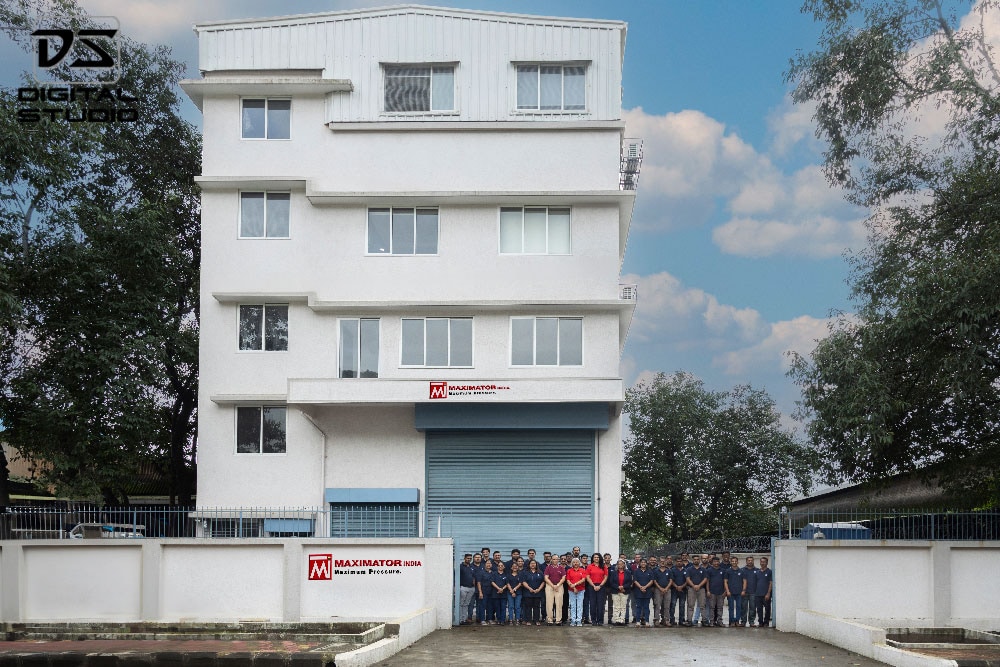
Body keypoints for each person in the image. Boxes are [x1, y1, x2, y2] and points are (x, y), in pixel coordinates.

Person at [685, 554, 709, 627]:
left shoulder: (703, 569)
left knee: (702, 605)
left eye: (697, 559)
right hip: (691, 589)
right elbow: (687, 578)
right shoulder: (689, 569)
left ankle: (704, 620)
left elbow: (705, 579)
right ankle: (689, 621)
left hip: (701, 589)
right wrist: (693, 585)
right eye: (695, 559)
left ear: (699, 560)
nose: (696, 560)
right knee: (690, 605)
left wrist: (699, 585)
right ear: (692, 560)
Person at [544, 552, 566, 626]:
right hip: (549, 586)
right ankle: (549, 620)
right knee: (549, 604)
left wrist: (558, 585)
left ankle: (558, 620)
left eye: (556, 559)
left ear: (558, 560)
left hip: (559, 586)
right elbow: (546, 578)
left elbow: (563, 578)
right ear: (551, 560)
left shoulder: (561, 568)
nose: (555, 560)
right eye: (553, 559)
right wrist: (553, 585)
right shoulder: (548, 568)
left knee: (559, 604)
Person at [608, 557, 632, 626]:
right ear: (617, 565)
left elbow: (630, 582)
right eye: (619, 564)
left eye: (622, 564)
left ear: (624, 565)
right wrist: (618, 587)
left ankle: (622, 620)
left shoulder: (628, 572)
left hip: (625, 591)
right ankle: (617, 620)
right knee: (617, 606)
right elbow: (611, 582)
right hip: (615, 591)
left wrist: (623, 587)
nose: (620, 565)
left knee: (623, 607)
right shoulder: (613, 572)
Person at [631, 558, 654, 627]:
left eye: (644, 562)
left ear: (646, 563)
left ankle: (647, 621)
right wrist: (641, 587)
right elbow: (635, 580)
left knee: (646, 607)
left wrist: (645, 587)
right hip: (638, 591)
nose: (643, 563)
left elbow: (651, 581)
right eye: (642, 562)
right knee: (638, 607)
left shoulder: (650, 571)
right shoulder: (636, 571)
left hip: (647, 592)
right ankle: (638, 622)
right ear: (640, 563)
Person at [724, 556, 746, 627]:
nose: (734, 562)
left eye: (735, 561)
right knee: (731, 607)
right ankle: (732, 621)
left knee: (739, 607)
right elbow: (725, 582)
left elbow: (744, 581)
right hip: (730, 593)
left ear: (737, 562)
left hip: (739, 593)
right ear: (731, 562)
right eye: (732, 561)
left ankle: (737, 621)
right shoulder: (728, 571)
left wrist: (743, 590)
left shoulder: (741, 571)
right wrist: (727, 591)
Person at [587, 552, 608, 626]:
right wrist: (593, 585)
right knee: (592, 604)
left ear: (600, 558)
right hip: (592, 586)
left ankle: (600, 620)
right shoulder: (589, 566)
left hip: (601, 586)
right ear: (593, 558)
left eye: (598, 557)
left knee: (600, 604)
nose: (596, 558)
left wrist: (600, 585)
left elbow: (605, 577)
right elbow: (588, 577)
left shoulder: (603, 566)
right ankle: (593, 620)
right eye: (595, 557)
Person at [522, 559, 545, 625]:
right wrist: (529, 588)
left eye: (534, 563)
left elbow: (543, 582)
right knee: (528, 607)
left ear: (536, 564)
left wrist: (539, 589)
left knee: (537, 607)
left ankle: (536, 620)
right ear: (529, 565)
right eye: (531, 563)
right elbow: (524, 582)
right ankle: (528, 620)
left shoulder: (540, 572)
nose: (533, 565)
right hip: (528, 592)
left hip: (537, 593)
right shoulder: (525, 572)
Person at [566, 557, 588, 627]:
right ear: (572, 563)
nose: (575, 563)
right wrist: (573, 586)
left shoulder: (582, 570)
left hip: (581, 590)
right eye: (574, 562)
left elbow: (583, 579)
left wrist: (575, 585)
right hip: (571, 590)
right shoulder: (569, 570)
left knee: (579, 605)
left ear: (579, 563)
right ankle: (573, 620)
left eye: (577, 562)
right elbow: (568, 580)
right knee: (572, 606)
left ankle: (578, 620)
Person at [652, 556, 673, 627]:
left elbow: (671, 580)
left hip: (667, 590)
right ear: (658, 562)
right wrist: (660, 588)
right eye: (661, 561)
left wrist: (666, 588)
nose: (662, 563)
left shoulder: (669, 571)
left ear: (666, 562)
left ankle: (666, 620)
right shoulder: (656, 571)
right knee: (657, 605)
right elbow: (654, 581)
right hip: (658, 590)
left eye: (664, 561)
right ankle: (656, 620)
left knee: (667, 606)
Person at [705, 556, 726, 626]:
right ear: (712, 562)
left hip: (721, 592)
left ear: (719, 562)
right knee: (712, 607)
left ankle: (719, 621)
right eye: (714, 562)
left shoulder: (722, 571)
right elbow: (707, 581)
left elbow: (725, 581)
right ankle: (711, 621)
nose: (716, 563)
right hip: (712, 592)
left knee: (720, 607)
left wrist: (725, 591)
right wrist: (708, 591)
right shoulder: (709, 570)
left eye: (717, 561)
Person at [754, 556, 773, 628]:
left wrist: (768, 593)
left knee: (767, 609)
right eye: (761, 562)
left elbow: (771, 583)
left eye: (764, 562)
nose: (762, 563)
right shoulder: (757, 572)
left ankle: (766, 622)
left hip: (766, 594)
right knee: (759, 610)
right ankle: (760, 622)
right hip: (758, 594)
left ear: (767, 563)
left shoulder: (769, 572)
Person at [669, 554, 687, 627]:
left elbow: (687, 580)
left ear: (682, 562)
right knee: (672, 605)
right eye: (678, 561)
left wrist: (682, 586)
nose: (679, 562)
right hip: (674, 590)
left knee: (682, 605)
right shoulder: (672, 570)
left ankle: (681, 620)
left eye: (680, 561)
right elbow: (671, 580)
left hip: (683, 590)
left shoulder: (686, 570)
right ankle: (672, 620)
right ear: (675, 562)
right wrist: (676, 586)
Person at [459, 553, 476, 625]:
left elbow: (474, 577)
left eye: (470, 558)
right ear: (464, 558)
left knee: (466, 604)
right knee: (461, 604)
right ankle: (459, 619)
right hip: (463, 587)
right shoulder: (460, 566)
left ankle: (464, 619)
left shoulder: (471, 567)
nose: (469, 559)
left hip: (471, 588)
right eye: (467, 558)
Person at [741, 557, 758, 627]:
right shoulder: (742, 570)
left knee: (753, 608)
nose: (750, 562)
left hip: (753, 592)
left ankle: (751, 622)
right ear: (746, 561)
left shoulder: (757, 570)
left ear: (753, 561)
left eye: (751, 560)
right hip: (744, 592)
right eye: (748, 560)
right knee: (743, 608)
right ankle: (743, 622)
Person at [477, 559, 494, 625]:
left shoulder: (493, 573)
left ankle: (489, 619)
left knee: (490, 606)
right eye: (487, 563)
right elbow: (478, 583)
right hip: (483, 591)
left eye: (490, 563)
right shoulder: (481, 572)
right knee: (482, 606)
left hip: (491, 592)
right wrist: (480, 592)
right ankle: (482, 620)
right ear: (484, 564)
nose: (488, 564)